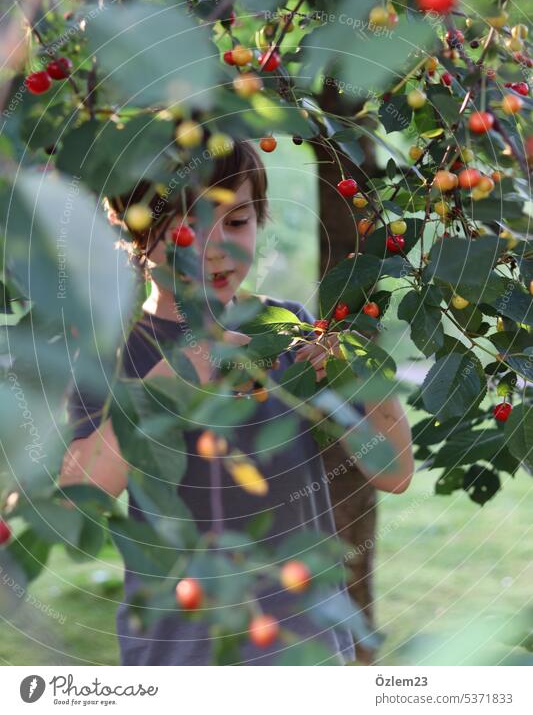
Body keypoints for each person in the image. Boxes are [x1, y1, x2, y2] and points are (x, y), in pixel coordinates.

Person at [59, 138, 413, 666]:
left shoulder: (290, 330)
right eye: (185, 226)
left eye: (237, 221)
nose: (215, 247)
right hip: (179, 658)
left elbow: (394, 473)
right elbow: (74, 500)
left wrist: (362, 376)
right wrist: (181, 375)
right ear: (131, 230)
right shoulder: (112, 351)